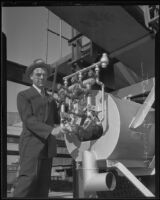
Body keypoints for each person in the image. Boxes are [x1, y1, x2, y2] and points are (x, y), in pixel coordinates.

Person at [13, 59, 68, 198]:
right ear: (31, 76)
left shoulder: (51, 99)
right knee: (27, 182)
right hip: (31, 146)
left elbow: (57, 119)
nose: (42, 77)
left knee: (43, 186)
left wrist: (66, 113)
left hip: (48, 147)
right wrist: (51, 130)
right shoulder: (23, 95)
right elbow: (29, 120)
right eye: (38, 74)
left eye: (44, 74)